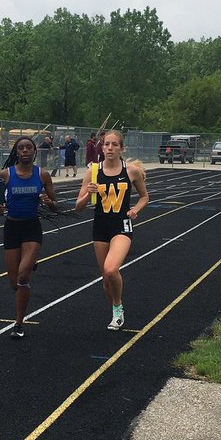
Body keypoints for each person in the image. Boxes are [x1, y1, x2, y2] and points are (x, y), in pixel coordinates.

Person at [75, 129, 149, 330]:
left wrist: (135, 210)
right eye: (106, 144)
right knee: (106, 279)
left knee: (111, 269)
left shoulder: (131, 170)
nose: (110, 148)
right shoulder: (93, 172)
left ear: (121, 148)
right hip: (100, 226)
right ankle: (116, 309)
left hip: (121, 226)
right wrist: (86, 194)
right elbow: (78, 206)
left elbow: (144, 197)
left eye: (114, 144)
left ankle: (117, 309)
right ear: (101, 147)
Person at [0, 136, 56, 338]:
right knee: (14, 284)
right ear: (16, 152)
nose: (25, 151)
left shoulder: (43, 175)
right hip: (12, 228)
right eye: (21, 148)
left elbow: (55, 205)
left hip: (32, 228)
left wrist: (49, 202)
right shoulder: (6, 175)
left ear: (35, 151)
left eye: (29, 147)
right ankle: (29, 265)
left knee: (23, 276)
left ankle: (18, 324)